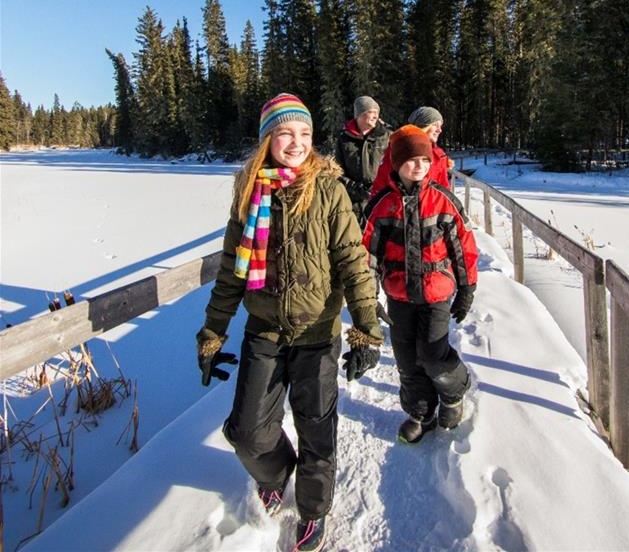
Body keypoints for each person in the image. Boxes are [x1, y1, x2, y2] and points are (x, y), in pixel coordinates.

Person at [196, 92, 383, 552]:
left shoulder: (328, 190)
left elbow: (353, 263)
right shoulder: (249, 192)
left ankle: (314, 512)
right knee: (246, 433)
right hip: (264, 332)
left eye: (304, 133)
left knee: (317, 431)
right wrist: (212, 334)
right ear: (267, 140)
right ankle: (278, 475)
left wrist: (366, 330)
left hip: (318, 333)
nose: (297, 143)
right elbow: (230, 272)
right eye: (285, 133)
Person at [362, 125, 478, 443]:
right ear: (397, 163)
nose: (420, 166)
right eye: (412, 160)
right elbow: (367, 254)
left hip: (435, 293)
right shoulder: (382, 205)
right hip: (399, 295)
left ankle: (454, 393)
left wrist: (467, 288)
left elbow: (463, 245)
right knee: (406, 359)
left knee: (432, 353)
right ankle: (421, 413)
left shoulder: (443, 201)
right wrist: (368, 298)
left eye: (424, 160)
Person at [368, 105, 453, 199]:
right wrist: (376, 207)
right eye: (435, 125)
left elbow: (445, 190)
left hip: (431, 210)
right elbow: (381, 183)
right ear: (422, 126)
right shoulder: (398, 150)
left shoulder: (439, 155)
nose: (439, 130)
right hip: (399, 208)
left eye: (440, 126)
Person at [335, 95, 391, 223]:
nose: (375, 116)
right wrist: (356, 189)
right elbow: (337, 171)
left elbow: (395, 167)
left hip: (382, 199)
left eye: (377, 112)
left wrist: (382, 187)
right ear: (359, 115)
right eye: (371, 112)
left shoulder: (387, 136)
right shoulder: (344, 138)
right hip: (353, 203)